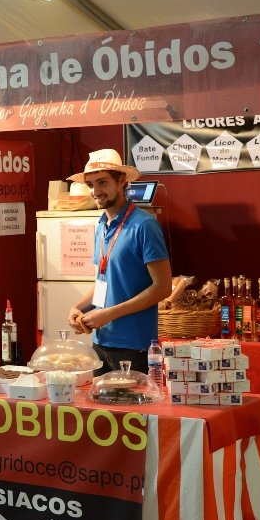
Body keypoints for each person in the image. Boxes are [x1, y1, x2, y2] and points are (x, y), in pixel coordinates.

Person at [66, 149, 172, 375]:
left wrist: (109, 314)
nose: (96, 192)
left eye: (102, 182)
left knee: (131, 401)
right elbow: (103, 281)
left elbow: (163, 287)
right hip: (100, 341)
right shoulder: (101, 224)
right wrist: (79, 307)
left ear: (122, 180)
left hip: (134, 346)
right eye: (91, 185)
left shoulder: (144, 225)